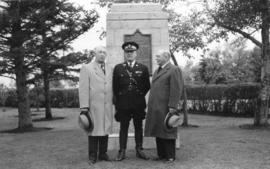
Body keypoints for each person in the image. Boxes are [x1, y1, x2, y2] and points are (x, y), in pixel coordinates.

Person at [144, 49, 184, 163]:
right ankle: (161, 155)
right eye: (156, 57)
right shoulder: (157, 70)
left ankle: (170, 156)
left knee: (168, 131)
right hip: (156, 107)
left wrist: (172, 106)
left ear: (166, 57)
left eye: (158, 56)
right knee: (158, 131)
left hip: (166, 107)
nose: (156, 58)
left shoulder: (174, 69)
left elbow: (176, 89)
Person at [113, 41, 150, 161]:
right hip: (123, 104)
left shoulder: (143, 68)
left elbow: (146, 86)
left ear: (136, 53)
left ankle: (139, 149)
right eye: (127, 52)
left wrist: (137, 96)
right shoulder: (118, 68)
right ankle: (122, 150)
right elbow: (115, 87)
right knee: (123, 127)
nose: (129, 54)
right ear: (124, 53)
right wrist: (119, 101)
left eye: (132, 52)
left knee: (138, 127)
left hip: (138, 103)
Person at [79, 46, 114, 165]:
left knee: (105, 129)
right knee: (93, 130)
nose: (102, 54)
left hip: (107, 105)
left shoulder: (110, 68)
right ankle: (92, 155)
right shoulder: (87, 68)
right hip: (94, 105)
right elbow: (83, 88)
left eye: (104, 52)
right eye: (100, 52)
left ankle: (103, 153)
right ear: (95, 53)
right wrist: (84, 106)